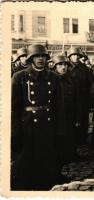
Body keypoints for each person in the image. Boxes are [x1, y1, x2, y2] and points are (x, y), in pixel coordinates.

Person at [11, 44, 64, 190]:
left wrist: (60, 129)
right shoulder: (19, 77)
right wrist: (15, 131)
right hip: (27, 125)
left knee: (47, 161)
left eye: (43, 56)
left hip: (48, 125)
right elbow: (13, 108)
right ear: (30, 58)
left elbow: (59, 106)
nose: (40, 59)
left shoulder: (54, 78)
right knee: (26, 164)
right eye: (36, 56)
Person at [52, 55, 81, 169]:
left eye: (65, 65)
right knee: (58, 137)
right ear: (55, 67)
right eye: (60, 65)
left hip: (70, 114)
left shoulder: (72, 80)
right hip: (56, 115)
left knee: (71, 135)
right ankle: (60, 157)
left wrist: (78, 117)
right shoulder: (51, 80)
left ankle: (71, 154)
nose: (63, 67)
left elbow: (77, 99)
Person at [67, 47, 94, 147]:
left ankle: (82, 139)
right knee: (70, 120)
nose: (75, 57)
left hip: (83, 99)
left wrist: (90, 101)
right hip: (70, 99)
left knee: (83, 120)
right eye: (73, 55)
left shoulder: (86, 70)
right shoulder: (66, 67)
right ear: (69, 56)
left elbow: (91, 86)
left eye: (77, 55)